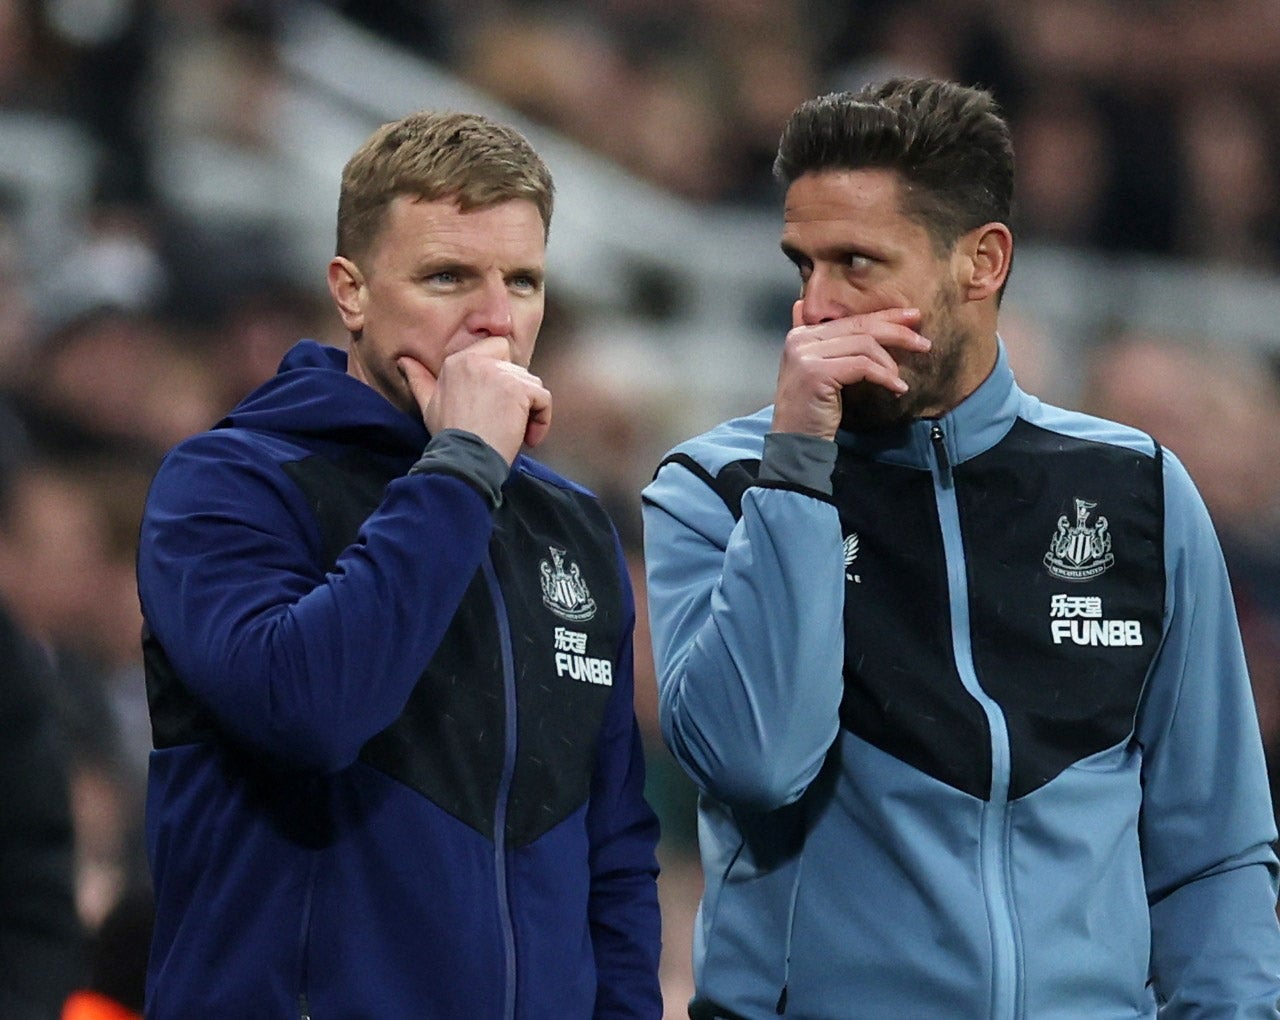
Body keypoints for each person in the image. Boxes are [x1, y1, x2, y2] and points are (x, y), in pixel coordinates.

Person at [641, 77, 1280, 1018]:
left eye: (857, 263)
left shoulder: (1137, 490)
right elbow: (756, 762)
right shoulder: (721, 489)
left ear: (981, 263)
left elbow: (1213, 848)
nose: (815, 308)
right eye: (801, 266)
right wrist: (798, 471)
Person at [137, 110, 662, 1018]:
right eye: (448, 277)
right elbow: (309, 712)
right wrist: (459, 465)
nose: (495, 321)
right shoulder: (227, 484)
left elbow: (611, 853)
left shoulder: (570, 525)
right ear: (351, 291)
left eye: (525, 281)